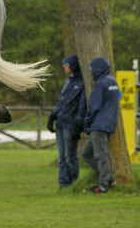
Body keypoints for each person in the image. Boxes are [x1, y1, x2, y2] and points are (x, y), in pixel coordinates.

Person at [81, 57, 121, 193]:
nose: (91, 72)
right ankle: (108, 177)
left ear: (97, 69)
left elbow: (94, 106)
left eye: (92, 70)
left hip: (99, 125)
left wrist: (86, 122)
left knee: (100, 155)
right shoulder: (112, 81)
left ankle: (103, 185)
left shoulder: (100, 83)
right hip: (109, 123)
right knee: (86, 153)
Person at [47, 55, 86, 188]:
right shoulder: (68, 81)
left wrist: (78, 123)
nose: (64, 67)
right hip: (61, 123)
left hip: (71, 124)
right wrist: (53, 116)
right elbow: (62, 101)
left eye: (66, 64)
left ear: (73, 66)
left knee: (70, 157)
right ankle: (63, 183)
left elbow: (82, 105)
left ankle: (73, 183)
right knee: (61, 157)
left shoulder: (82, 82)